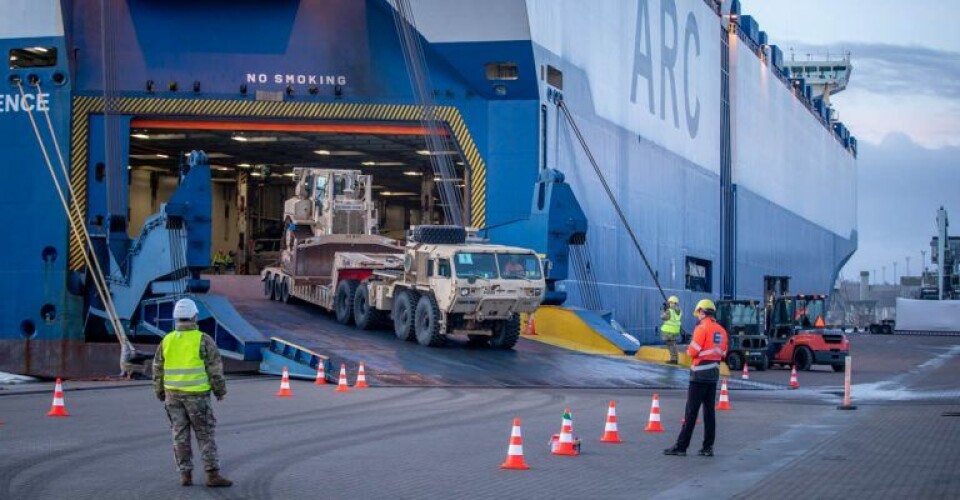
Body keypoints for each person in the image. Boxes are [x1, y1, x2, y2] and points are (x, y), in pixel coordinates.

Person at [153, 298, 232, 488]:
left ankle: (185, 475)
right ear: (194, 316)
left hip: (173, 395)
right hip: (197, 396)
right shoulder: (203, 339)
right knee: (205, 434)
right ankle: (212, 475)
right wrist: (220, 391)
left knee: (179, 435)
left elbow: (158, 369)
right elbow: (214, 369)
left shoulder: (167, 340)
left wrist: (160, 391)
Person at [664, 299, 728, 458]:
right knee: (709, 413)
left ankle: (681, 446)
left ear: (702, 312)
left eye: (698, 312)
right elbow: (723, 353)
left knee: (691, 413)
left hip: (698, 376)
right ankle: (708, 447)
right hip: (713, 376)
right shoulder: (721, 330)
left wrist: (689, 347)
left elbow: (692, 352)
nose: (698, 315)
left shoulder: (701, 328)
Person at [660, 296, 682, 364]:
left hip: (669, 332)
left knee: (670, 345)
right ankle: (674, 359)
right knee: (673, 345)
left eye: (670, 303)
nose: (669, 304)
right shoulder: (679, 311)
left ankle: (674, 359)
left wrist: (663, 310)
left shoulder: (669, 311)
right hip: (675, 331)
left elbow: (663, 317)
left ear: (674, 303)